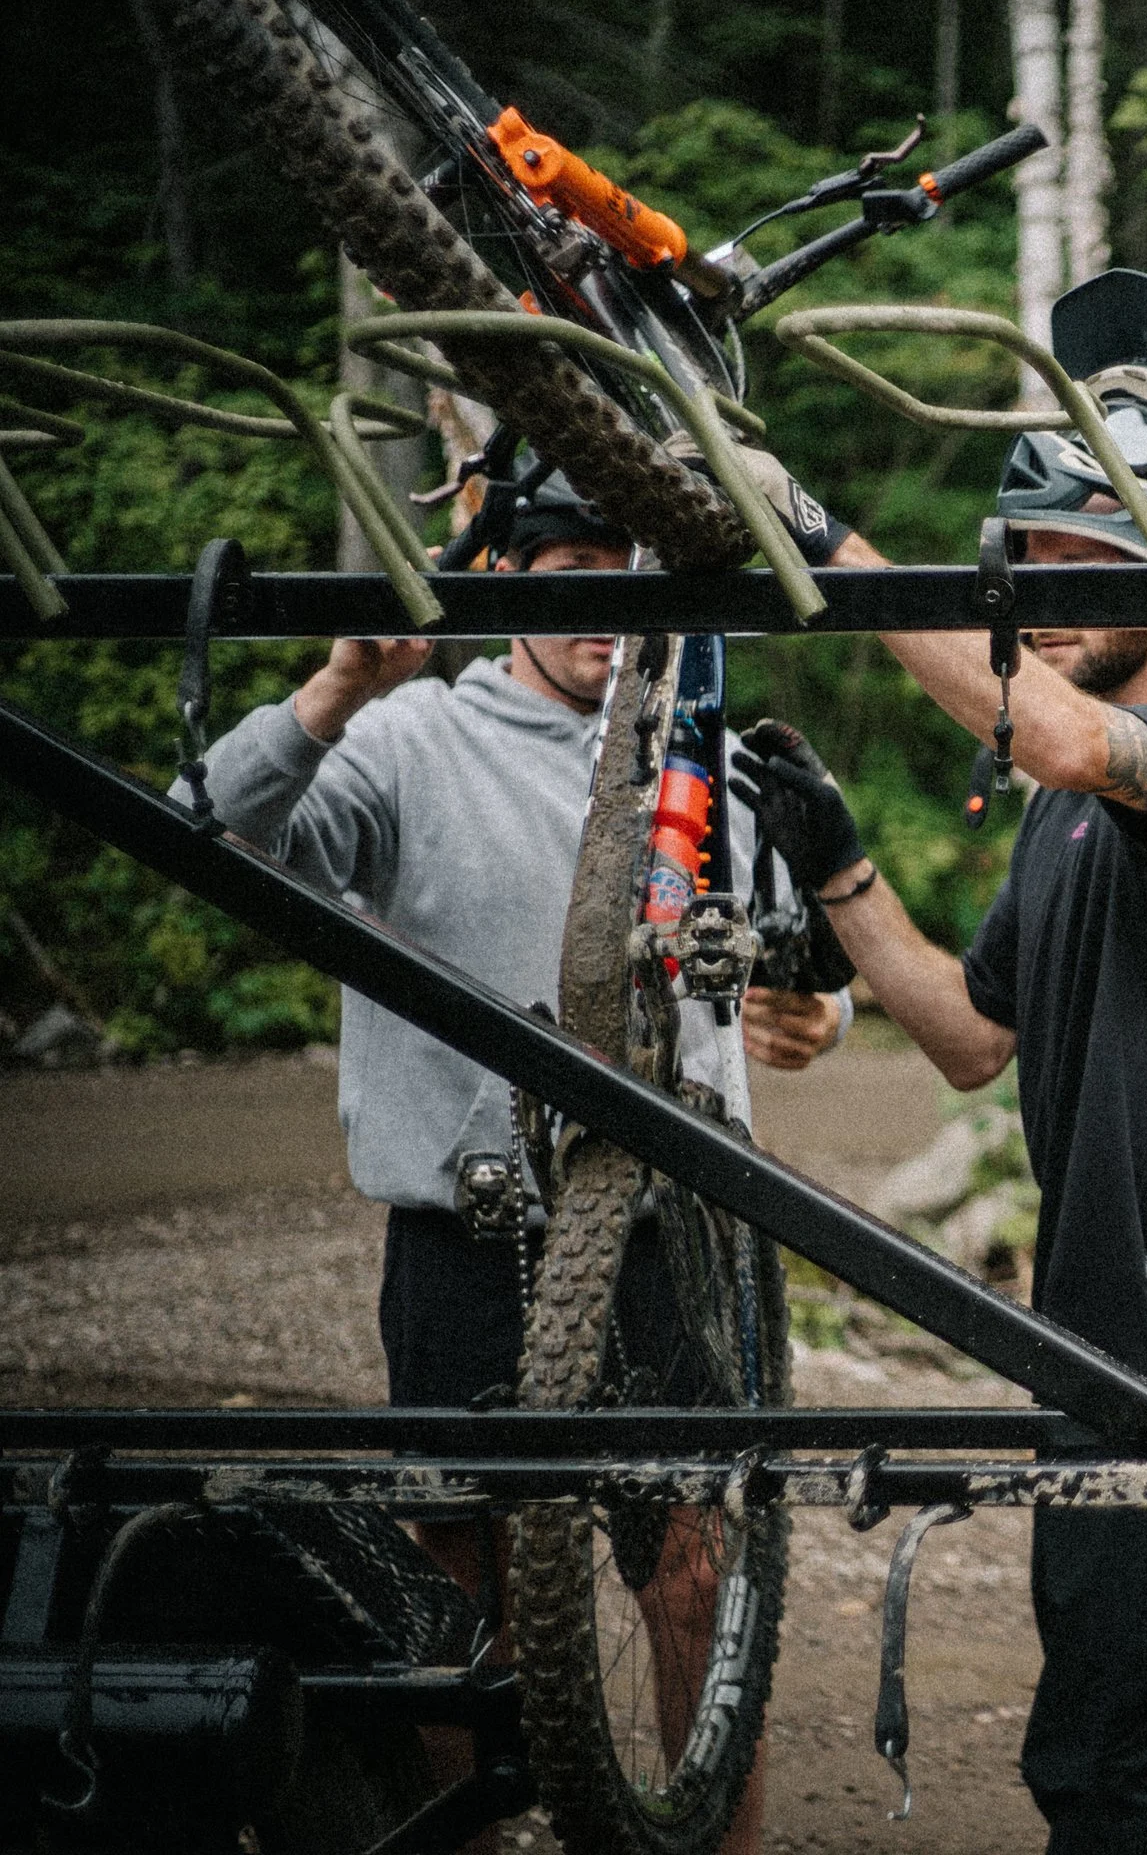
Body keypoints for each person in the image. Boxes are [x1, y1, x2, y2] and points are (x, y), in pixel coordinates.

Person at [191, 462, 844, 1853]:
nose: (610, 608)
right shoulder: (413, 738)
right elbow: (219, 830)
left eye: (636, 576)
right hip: (464, 1228)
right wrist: (333, 693)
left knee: (693, 1567)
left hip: (665, 1229)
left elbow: (791, 971)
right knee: (454, 1576)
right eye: (573, 579)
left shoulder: (700, 747)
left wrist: (820, 1002)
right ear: (510, 586)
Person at [731, 269, 1147, 1853]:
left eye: (1091, 559)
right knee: (1128, 1729)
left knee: (1090, 1750)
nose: (1045, 590)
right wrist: (844, 878)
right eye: (1032, 557)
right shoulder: (1062, 822)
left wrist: (831, 544)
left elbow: (1054, 730)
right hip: (1101, 1311)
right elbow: (973, 1039)